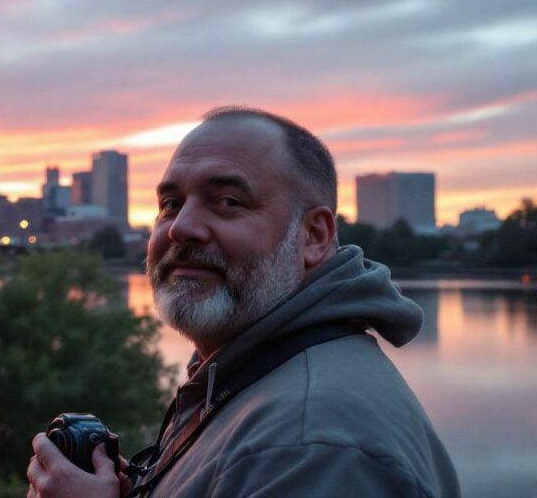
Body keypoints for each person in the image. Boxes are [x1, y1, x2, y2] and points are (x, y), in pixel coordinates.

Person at [26, 107, 460, 497]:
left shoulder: (313, 445)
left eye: (228, 202)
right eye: (171, 204)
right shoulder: (246, 376)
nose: (181, 228)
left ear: (313, 236)